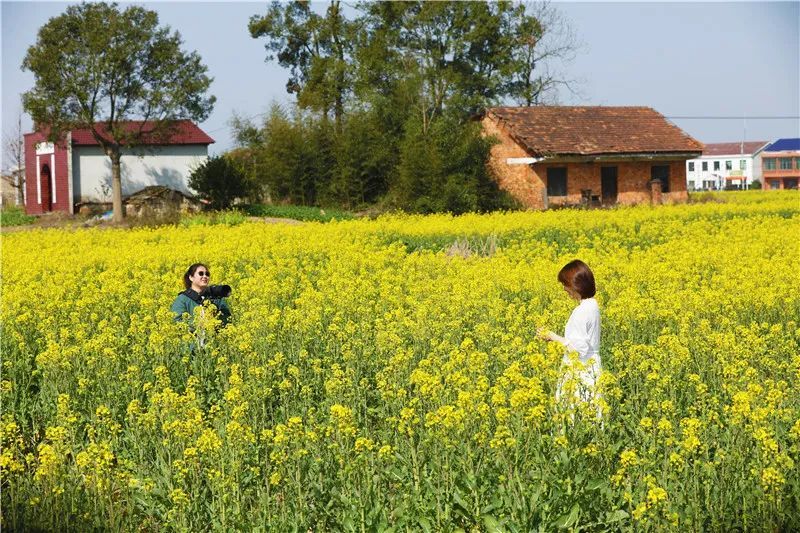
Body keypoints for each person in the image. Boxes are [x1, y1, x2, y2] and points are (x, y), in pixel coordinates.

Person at [537, 259, 602, 415]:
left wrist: (552, 336)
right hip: (591, 367)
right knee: (591, 414)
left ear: (575, 285)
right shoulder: (593, 305)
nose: (564, 289)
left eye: (565, 284)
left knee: (572, 414)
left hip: (580, 370)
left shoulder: (582, 311)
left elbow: (578, 349)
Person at [171, 263, 232, 328]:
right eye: (201, 273)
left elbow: (227, 319)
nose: (205, 276)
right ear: (191, 277)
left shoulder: (216, 298)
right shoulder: (183, 299)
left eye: (207, 274)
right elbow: (177, 321)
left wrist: (215, 322)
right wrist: (199, 324)